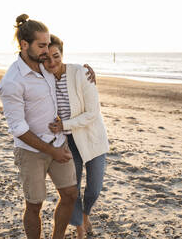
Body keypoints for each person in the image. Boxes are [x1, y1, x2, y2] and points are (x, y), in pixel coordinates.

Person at [0, 14, 95, 239]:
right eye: (41, 45)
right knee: (34, 204)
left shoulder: (46, 66)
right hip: (31, 151)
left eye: (48, 43)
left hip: (58, 143)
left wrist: (87, 73)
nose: (46, 50)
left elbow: (67, 73)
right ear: (24, 45)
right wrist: (52, 152)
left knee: (70, 194)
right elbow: (18, 129)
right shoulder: (12, 82)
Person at [45, 34, 109, 239]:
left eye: (56, 56)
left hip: (91, 138)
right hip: (66, 142)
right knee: (73, 190)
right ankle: (80, 226)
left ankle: (85, 212)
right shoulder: (44, 78)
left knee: (94, 188)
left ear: (62, 54)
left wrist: (65, 124)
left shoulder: (80, 73)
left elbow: (92, 112)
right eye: (47, 58)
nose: (52, 62)